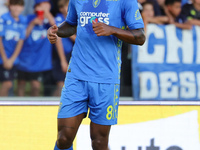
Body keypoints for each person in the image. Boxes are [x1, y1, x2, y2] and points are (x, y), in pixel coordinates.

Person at [47, 0, 145, 149]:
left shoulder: (125, 2)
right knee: (64, 138)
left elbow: (140, 37)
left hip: (106, 79)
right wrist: (57, 31)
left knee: (99, 142)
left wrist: (112, 30)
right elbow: (72, 24)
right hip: (77, 75)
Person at [17, 0, 55, 96]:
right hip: (25, 58)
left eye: (47, 5)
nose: (45, 7)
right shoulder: (29, 18)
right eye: (42, 5)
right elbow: (23, 36)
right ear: (36, 7)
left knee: (36, 86)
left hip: (39, 61)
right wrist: (32, 23)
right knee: (21, 83)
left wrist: (46, 13)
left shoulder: (48, 22)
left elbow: (55, 27)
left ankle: (33, 108)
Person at [0, 0, 26, 96]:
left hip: (13, 59)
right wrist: (5, 59)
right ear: (10, 6)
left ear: (22, 8)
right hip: (3, 58)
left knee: (9, 84)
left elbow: (20, 41)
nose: (16, 8)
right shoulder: (3, 18)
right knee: (7, 84)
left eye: (19, 6)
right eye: (14, 5)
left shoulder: (23, 20)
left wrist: (12, 59)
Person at [52, 0, 75, 96]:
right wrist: (62, 61)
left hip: (71, 54)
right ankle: (52, 104)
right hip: (60, 56)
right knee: (61, 84)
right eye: (67, 6)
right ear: (61, 8)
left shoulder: (73, 21)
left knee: (68, 85)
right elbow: (58, 42)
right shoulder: (58, 19)